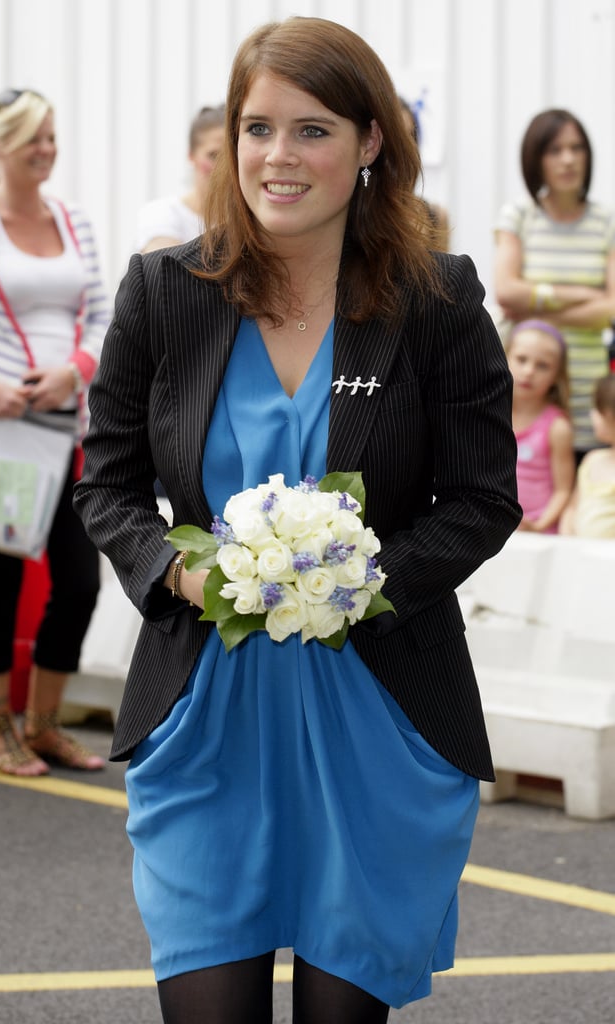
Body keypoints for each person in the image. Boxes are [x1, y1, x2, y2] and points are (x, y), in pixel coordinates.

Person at [74, 17, 520, 1023]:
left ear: (371, 143)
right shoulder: (163, 292)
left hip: (378, 717)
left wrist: (362, 579)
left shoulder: (436, 299)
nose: (278, 157)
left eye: (312, 129)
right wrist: (177, 571)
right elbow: (104, 486)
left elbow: (484, 497)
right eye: (256, 127)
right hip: (203, 717)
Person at [0, 88, 111, 775]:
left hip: (67, 429)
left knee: (80, 581)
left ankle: (44, 722)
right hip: (3, 435)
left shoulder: (74, 221)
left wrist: (76, 371)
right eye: (32, 137)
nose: (46, 149)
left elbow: (100, 313)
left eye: (52, 136)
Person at [495, 108, 615, 460]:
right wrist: (582, 295)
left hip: (588, 397)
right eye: (555, 150)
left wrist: (534, 312)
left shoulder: (606, 222)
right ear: (536, 158)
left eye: (577, 148)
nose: (568, 159)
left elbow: (611, 307)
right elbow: (505, 291)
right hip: (530, 400)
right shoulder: (518, 216)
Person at [506, 319, 575, 533]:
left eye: (543, 365)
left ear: (557, 376)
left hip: (538, 533)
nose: (529, 371)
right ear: (504, 358)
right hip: (491, 529)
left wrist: (538, 525)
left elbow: (563, 490)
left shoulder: (557, 427)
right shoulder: (488, 416)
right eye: (521, 359)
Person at [135, 103, 226, 253]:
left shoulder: (248, 222)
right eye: (214, 156)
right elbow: (165, 270)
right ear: (191, 156)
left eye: (230, 157)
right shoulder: (161, 214)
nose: (223, 168)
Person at [560, 374, 615, 537]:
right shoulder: (592, 459)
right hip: (579, 554)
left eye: (597, 409)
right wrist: (567, 534)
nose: (592, 414)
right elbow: (572, 507)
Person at [399, 95, 450, 251]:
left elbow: (442, 274)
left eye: (410, 139)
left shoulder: (434, 216)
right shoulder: (348, 214)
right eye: (396, 139)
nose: (404, 151)